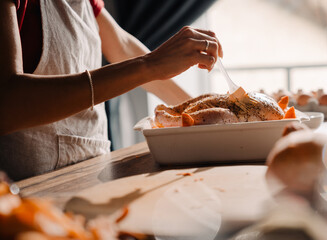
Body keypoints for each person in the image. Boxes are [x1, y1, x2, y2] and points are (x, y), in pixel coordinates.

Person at [0, 0, 223, 180]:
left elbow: (122, 46)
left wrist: (205, 108)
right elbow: (7, 104)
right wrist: (150, 65)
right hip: (24, 192)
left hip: (91, 174)